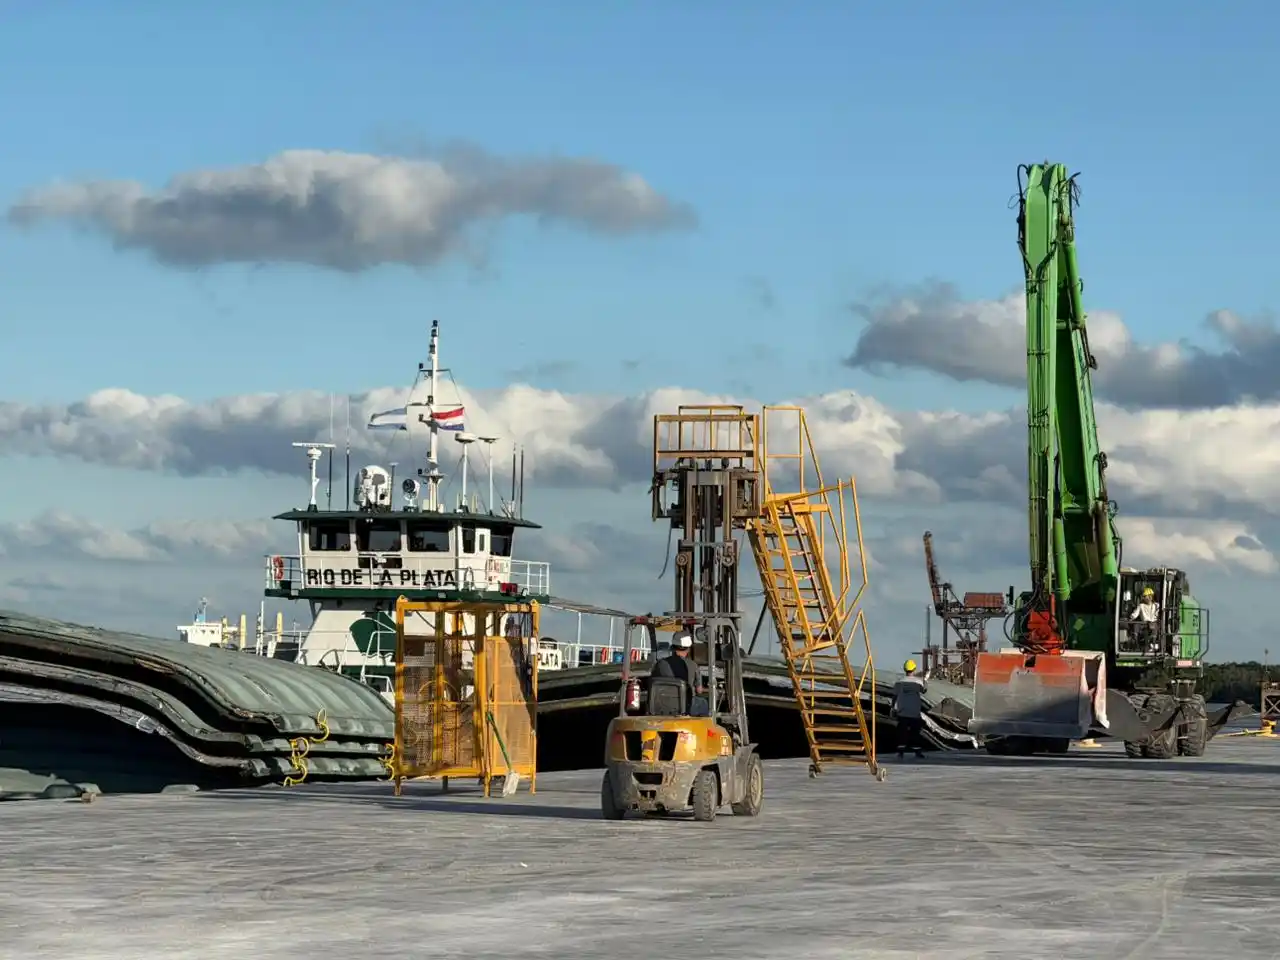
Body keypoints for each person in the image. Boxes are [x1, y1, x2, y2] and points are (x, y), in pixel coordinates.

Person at [652, 630, 709, 715]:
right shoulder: (693, 665)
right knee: (703, 702)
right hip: (685, 706)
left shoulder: (660, 664)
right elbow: (699, 690)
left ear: (673, 647)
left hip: (663, 705)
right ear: (688, 649)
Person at [891, 658, 930, 759]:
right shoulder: (917, 682)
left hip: (902, 711)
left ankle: (900, 752)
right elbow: (924, 690)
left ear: (905, 669)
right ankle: (917, 752)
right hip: (914, 712)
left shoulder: (899, 682)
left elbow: (894, 696)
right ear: (914, 669)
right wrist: (925, 679)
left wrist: (892, 708)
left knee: (902, 732)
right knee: (915, 732)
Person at [1129, 586, 1161, 653]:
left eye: (1145, 596)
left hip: (1153, 624)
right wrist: (1131, 617)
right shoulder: (1141, 606)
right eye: (1144, 596)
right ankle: (1140, 644)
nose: (1145, 598)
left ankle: (1153, 643)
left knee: (1155, 627)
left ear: (1151, 596)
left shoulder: (1157, 605)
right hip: (1144, 624)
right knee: (1138, 627)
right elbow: (1135, 614)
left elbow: (1159, 614)